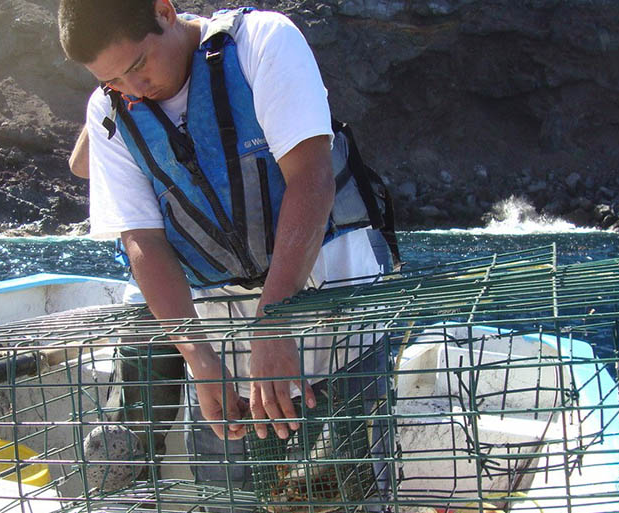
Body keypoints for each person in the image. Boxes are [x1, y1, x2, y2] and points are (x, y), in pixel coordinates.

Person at [58, 0, 396, 503]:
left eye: (137, 67)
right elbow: (143, 243)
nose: (134, 90)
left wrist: (275, 318)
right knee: (233, 492)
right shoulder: (108, 114)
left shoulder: (263, 42)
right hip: (222, 318)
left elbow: (311, 180)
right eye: (113, 82)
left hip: (335, 298)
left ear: (164, 11)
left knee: (349, 483)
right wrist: (198, 357)